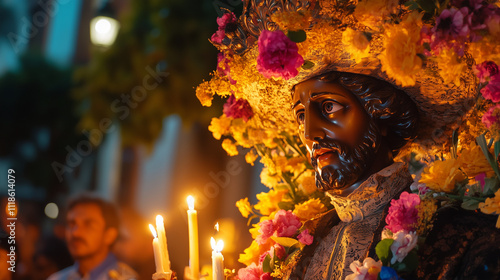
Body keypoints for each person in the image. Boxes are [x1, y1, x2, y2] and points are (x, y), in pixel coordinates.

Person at [48, 193, 138, 280]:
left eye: (89, 225)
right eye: (72, 224)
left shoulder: (126, 278)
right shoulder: (57, 278)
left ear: (109, 235)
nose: (75, 233)